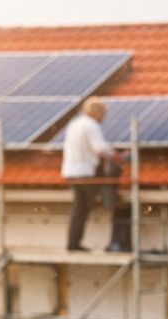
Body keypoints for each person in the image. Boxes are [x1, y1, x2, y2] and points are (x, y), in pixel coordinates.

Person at [61, 97, 122, 252]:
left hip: (71, 172)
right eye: (103, 114)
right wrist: (118, 156)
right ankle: (74, 244)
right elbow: (99, 148)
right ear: (96, 112)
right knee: (84, 207)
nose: (104, 118)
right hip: (84, 172)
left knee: (79, 207)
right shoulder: (91, 125)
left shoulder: (75, 123)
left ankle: (73, 242)